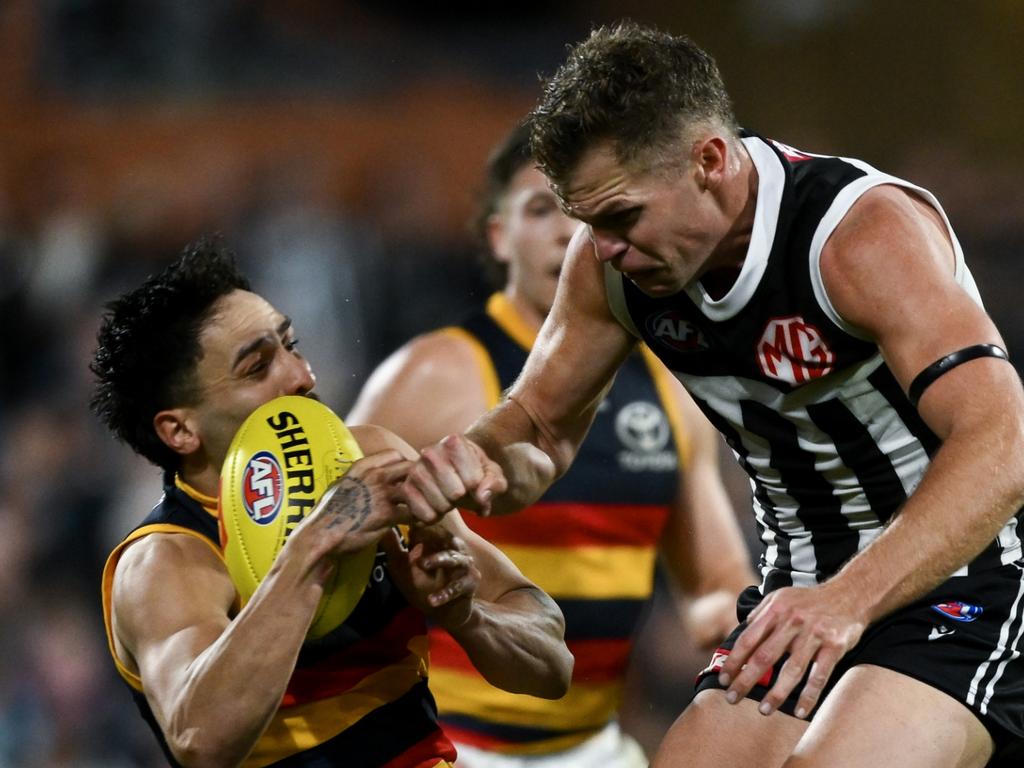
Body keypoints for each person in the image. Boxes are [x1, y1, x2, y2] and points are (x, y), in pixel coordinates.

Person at [396, 21, 1024, 768]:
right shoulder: (611, 268)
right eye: (588, 223)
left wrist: (849, 600)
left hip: (968, 583)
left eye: (622, 217)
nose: (602, 250)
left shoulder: (857, 235)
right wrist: (481, 461)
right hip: (802, 594)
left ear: (711, 161)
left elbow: (1004, 442)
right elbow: (538, 424)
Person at [347, 121, 754, 767]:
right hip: (445, 744)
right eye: (542, 209)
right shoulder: (432, 375)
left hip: (593, 748)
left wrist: (775, 650)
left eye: (584, 211)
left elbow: (713, 586)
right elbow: (336, 552)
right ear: (498, 236)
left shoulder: (670, 386)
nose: (569, 233)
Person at [90, 237, 573, 768]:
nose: (303, 376)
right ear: (180, 429)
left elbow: (552, 665)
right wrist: (316, 542)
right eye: (257, 368)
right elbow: (202, 739)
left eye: (291, 346)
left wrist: (466, 616)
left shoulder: (374, 460)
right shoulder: (165, 562)